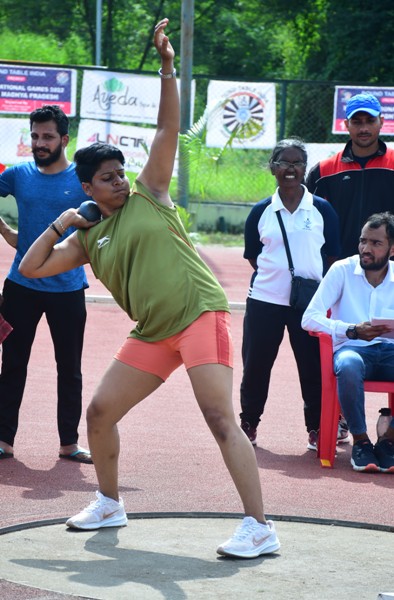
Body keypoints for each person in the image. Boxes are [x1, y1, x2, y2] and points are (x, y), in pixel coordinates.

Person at [19, 18, 280, 559]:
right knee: (99, 413)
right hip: (153, 332)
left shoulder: (151, 193)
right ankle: (110, 502)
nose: (119, 180)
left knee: (217, 418)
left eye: (121, 172)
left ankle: (260, 525)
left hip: (199, 314)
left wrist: (166, 68)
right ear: (85, 186)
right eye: (107, 177)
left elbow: (166, 131)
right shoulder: (88, 236)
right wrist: (61, 224)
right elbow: (33, 269)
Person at [0, 105, 92, 463]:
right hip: (20, 287)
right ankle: (4, 441)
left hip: (68, 289)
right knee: (12, 365)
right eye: (35, 136)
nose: (39, 142)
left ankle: (69, 443)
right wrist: (8, 232)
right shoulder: (19, 174)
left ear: (64, 139)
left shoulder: (81, 180)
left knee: (69, 368)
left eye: (47, 136)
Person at [239, 138, 341, 451]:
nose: (290, 168)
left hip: (308, 305)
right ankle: (249, 424)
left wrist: (306, 282)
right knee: (256, 366)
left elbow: (331, 256)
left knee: (312, 367)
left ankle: (316, 428)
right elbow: (254, 256)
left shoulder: (321, 209)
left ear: (304, 168)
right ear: (272, 167)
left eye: (297, 162)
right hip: (265, 302)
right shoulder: (261, 211)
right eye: (283, 161)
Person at [302, 212, 394, 473]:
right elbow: (309, 318)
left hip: (389, 352)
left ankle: (388, 440)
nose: (366, 249)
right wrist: (350, 330)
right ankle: (362, 441)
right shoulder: (342, 270)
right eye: (363, 241)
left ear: (392, 248)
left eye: (376, 243)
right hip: (351, 351)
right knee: (350, 365)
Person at [306, 92, 394, 260]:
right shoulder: (324, 171)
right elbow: (308, 222)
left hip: (389, 270)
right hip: (339, 269)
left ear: (381, 122)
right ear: (346, 124)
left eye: (370, 121)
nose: (364, 129)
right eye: (357, 122)